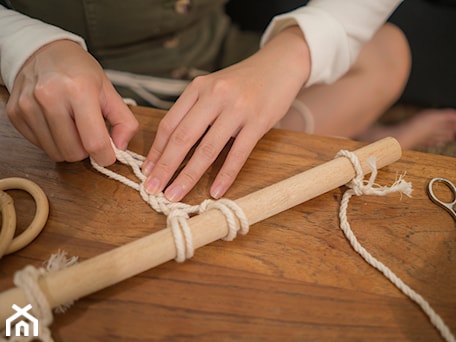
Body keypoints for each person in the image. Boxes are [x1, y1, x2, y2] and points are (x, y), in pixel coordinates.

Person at [1, 1, 414, 203]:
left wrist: (290, 55)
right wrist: (26, 46)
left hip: (215, 51)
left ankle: (273, 136)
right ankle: (327, 141)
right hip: (73, 76)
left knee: (388, 52)